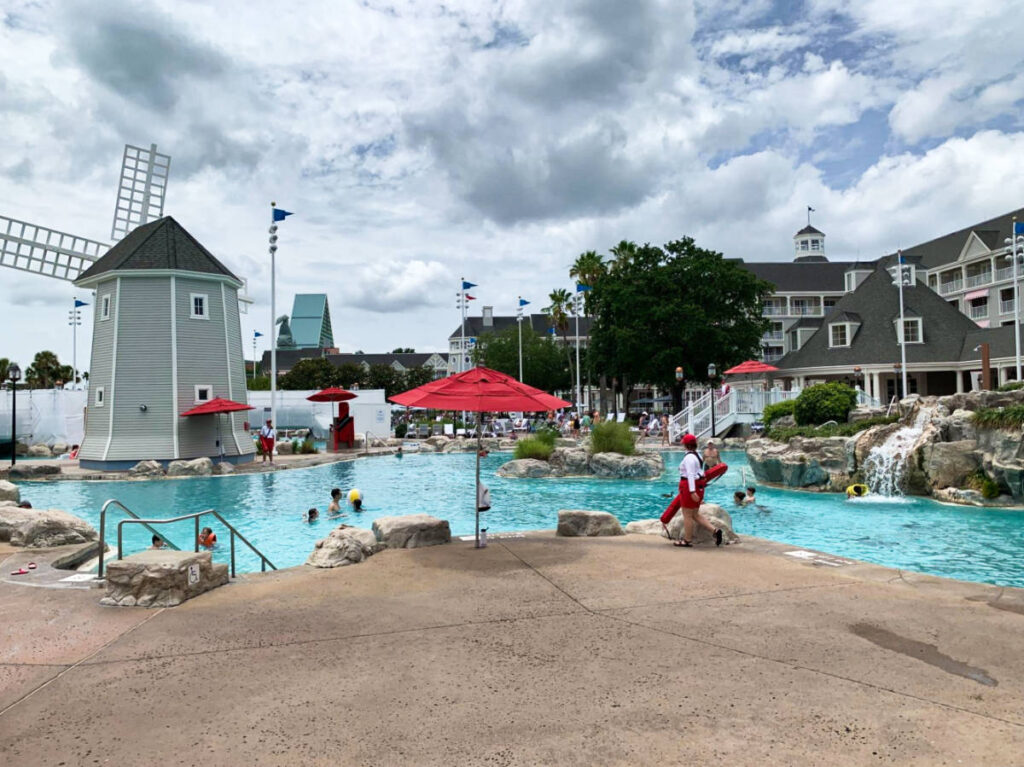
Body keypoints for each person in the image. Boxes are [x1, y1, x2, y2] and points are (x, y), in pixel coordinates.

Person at [661, 433, 723, 547]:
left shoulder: (689, 457)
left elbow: (690, 475)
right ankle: (715, 531)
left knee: (687, 515)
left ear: (686, 445)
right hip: (698, 485)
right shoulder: (697, 455)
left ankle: (687, 540)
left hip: (689, 486)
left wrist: (692, 491)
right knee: (695, 514)